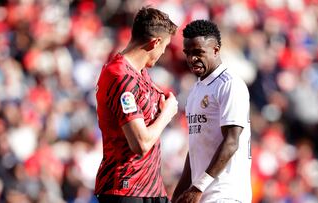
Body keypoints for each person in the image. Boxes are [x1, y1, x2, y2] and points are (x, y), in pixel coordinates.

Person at [94, 7, 178, 203]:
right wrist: (167, 114)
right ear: (155, 42)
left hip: (150, 189)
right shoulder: (120, 77)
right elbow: (140, 143)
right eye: (164, 46)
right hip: (126, 187)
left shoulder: (140, 74)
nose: (164, 52)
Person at [172, 20, 252, 203]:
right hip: (202, 195)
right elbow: (194, 149)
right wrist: (178, 194)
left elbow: (232, 142)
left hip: (225, 194)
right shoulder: (196, 90)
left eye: (198, 52)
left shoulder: (229, 85)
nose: (192, 59)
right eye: (188, 53)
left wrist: (198, 186)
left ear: (216, 50)